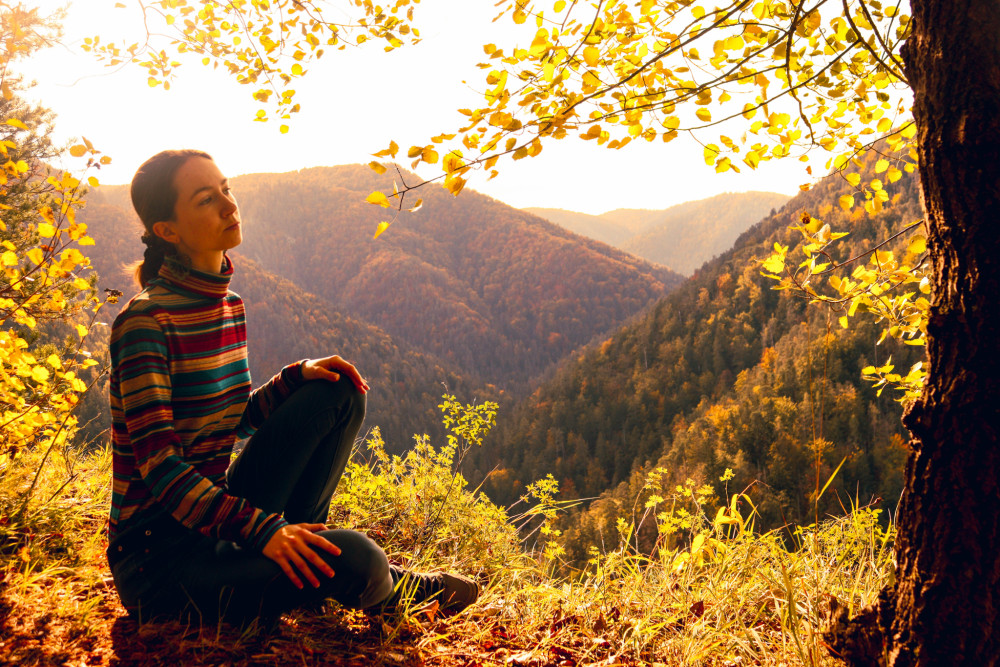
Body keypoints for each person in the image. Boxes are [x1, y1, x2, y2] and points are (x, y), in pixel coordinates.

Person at [106, 149, 478, 626]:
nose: (227, 205)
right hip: (160, 560)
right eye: (205, 199)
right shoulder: (145, 322)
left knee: (338, 390)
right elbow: (160, 468)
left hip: (213, 519)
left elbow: (228, 424)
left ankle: (305, 547)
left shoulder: (228, 306)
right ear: (167, 231)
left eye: (226, 189)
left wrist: (293, 378)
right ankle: (383, 587)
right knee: (360, 558)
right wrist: (263, 531)